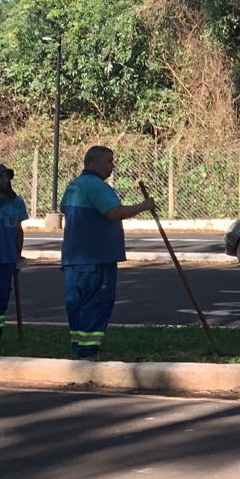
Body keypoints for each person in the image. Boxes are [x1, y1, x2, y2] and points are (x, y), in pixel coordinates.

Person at [60, 146, 155, 358]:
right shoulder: (96, 185)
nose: (112, 166)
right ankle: (88, 348)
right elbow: (114, 212)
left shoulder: (74, 185)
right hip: (96, 256)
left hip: (74, 257)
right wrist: (144, 206)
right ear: (94, 162)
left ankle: (78, 343)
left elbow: (64, 209)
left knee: (77, 301)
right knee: (97, 301)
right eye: (109, 161)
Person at [0, 163, 26, 341]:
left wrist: (18, 254)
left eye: (6, 177)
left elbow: (18, 230)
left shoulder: (16, 202)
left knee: (1, 294)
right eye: (0, 176)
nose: (4, 180)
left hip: (6, 258)